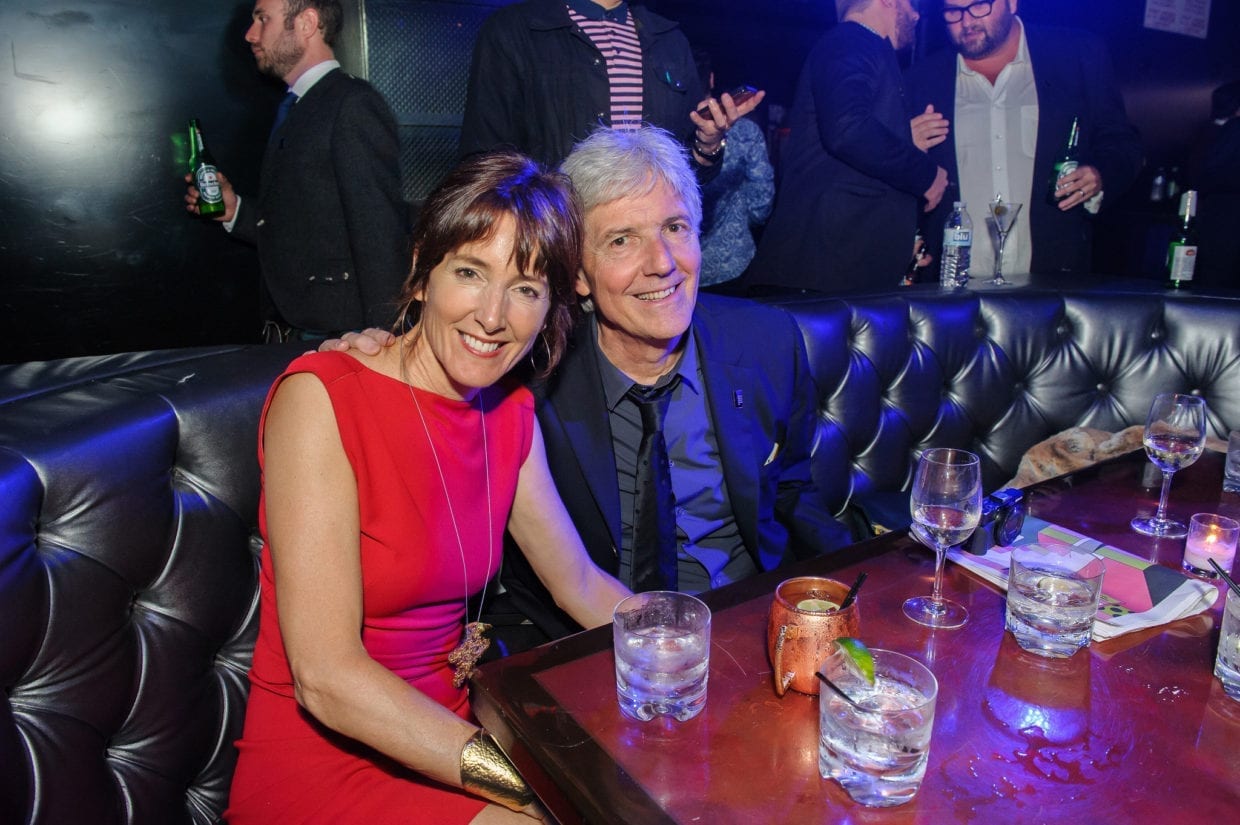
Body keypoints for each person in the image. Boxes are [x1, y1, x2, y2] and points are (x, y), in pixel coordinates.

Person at [329, 127, 854, 653]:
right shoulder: (523, 373)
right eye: (621, 240)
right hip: (590, 643)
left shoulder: (766, 342)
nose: (662, 262)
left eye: (675, 228)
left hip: (752, 626)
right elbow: (441, 355)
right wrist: (383, 349)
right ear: (577, 275)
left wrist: (859, 592)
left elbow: (792, 493)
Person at [225, 151, 630, 823]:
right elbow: (326, 678)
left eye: (527, 288)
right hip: (324, 762)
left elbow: (579, 583)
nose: (493, 315)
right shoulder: (323, 397)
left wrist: (697, 643)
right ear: (423, 271)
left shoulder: (508, 410)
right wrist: (523, 780)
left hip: (447, 735)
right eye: (471, 272)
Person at [185, 0, 410, 341]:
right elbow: (301, 228)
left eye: (263, 19)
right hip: (297, 330)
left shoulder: (352, 104)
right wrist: (235, 211)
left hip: (338, 336)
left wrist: (386, 340)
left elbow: (380, 233)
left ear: (306, 23)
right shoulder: (298, 104)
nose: (250, 34)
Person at [905, 0, 1143, 278]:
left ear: (1011, 3)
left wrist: (1099, 174)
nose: (967, 21)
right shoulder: (921, 80)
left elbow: (1122, 143)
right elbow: (901, 183)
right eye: (953, 12)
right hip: (953, 286)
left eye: (979, 6)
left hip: (1051, 278)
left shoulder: (1076, 56)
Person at [745, 0, 948, 295]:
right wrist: (926, 175)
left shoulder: (859, 47)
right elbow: (847, 129)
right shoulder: (852, 40)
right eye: (911, 3)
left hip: (836, 273)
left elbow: (845, 150)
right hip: (822, 277)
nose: (916, 14)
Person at [457, 0, 763, 177]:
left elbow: (689, 179)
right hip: (556, 249)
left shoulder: (669, 41)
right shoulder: (515, 31)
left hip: (641, 253)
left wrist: (707, 144)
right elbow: (483, 166)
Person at [693, 51, 776, 289]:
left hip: (674, 270)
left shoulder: (665, 129)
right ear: (710, 79)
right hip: (732, 267)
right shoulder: (745, 132)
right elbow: (761, 204)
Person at [1190, 80, 1240, 287]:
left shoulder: (1208, 131)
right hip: (1227, 217)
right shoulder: (1234, 130)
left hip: (1214, 214)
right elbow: (1216, 172)